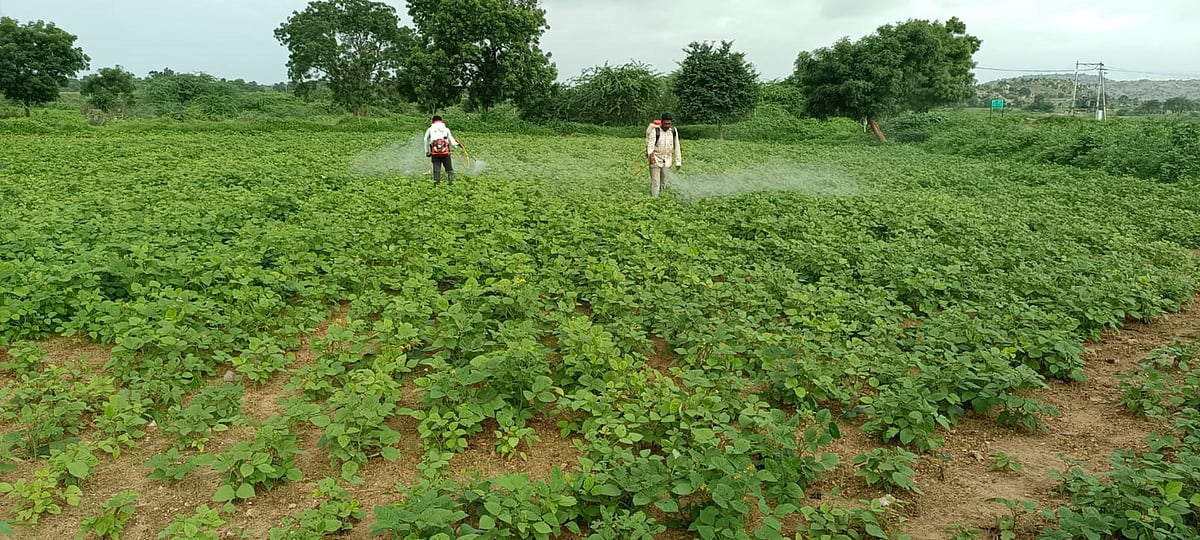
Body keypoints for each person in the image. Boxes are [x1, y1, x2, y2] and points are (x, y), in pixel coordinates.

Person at [645, 113, 681, 197]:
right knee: (655, 182)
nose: (667, 126)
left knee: (664, 182)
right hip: (655, 160)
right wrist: (650, 154)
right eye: (665, 124)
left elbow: (677, 146)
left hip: (667, 160)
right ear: (661, 122)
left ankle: (663, 199)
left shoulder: (673, 131)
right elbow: (651, 145)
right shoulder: (655, 131)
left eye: (669, 124)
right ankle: (655, 199)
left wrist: (678, 162)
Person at [424, 115, 462, 186]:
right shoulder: (446, 129)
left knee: (436, 170)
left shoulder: (430, 129)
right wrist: (458, 145)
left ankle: (436, 184)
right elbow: (452, 142)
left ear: (433, 121)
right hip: (445, 152)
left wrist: (427, 151)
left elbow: (425, 140)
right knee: (449, 169)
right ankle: (450, 182)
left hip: (434, 152)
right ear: (441, 121)